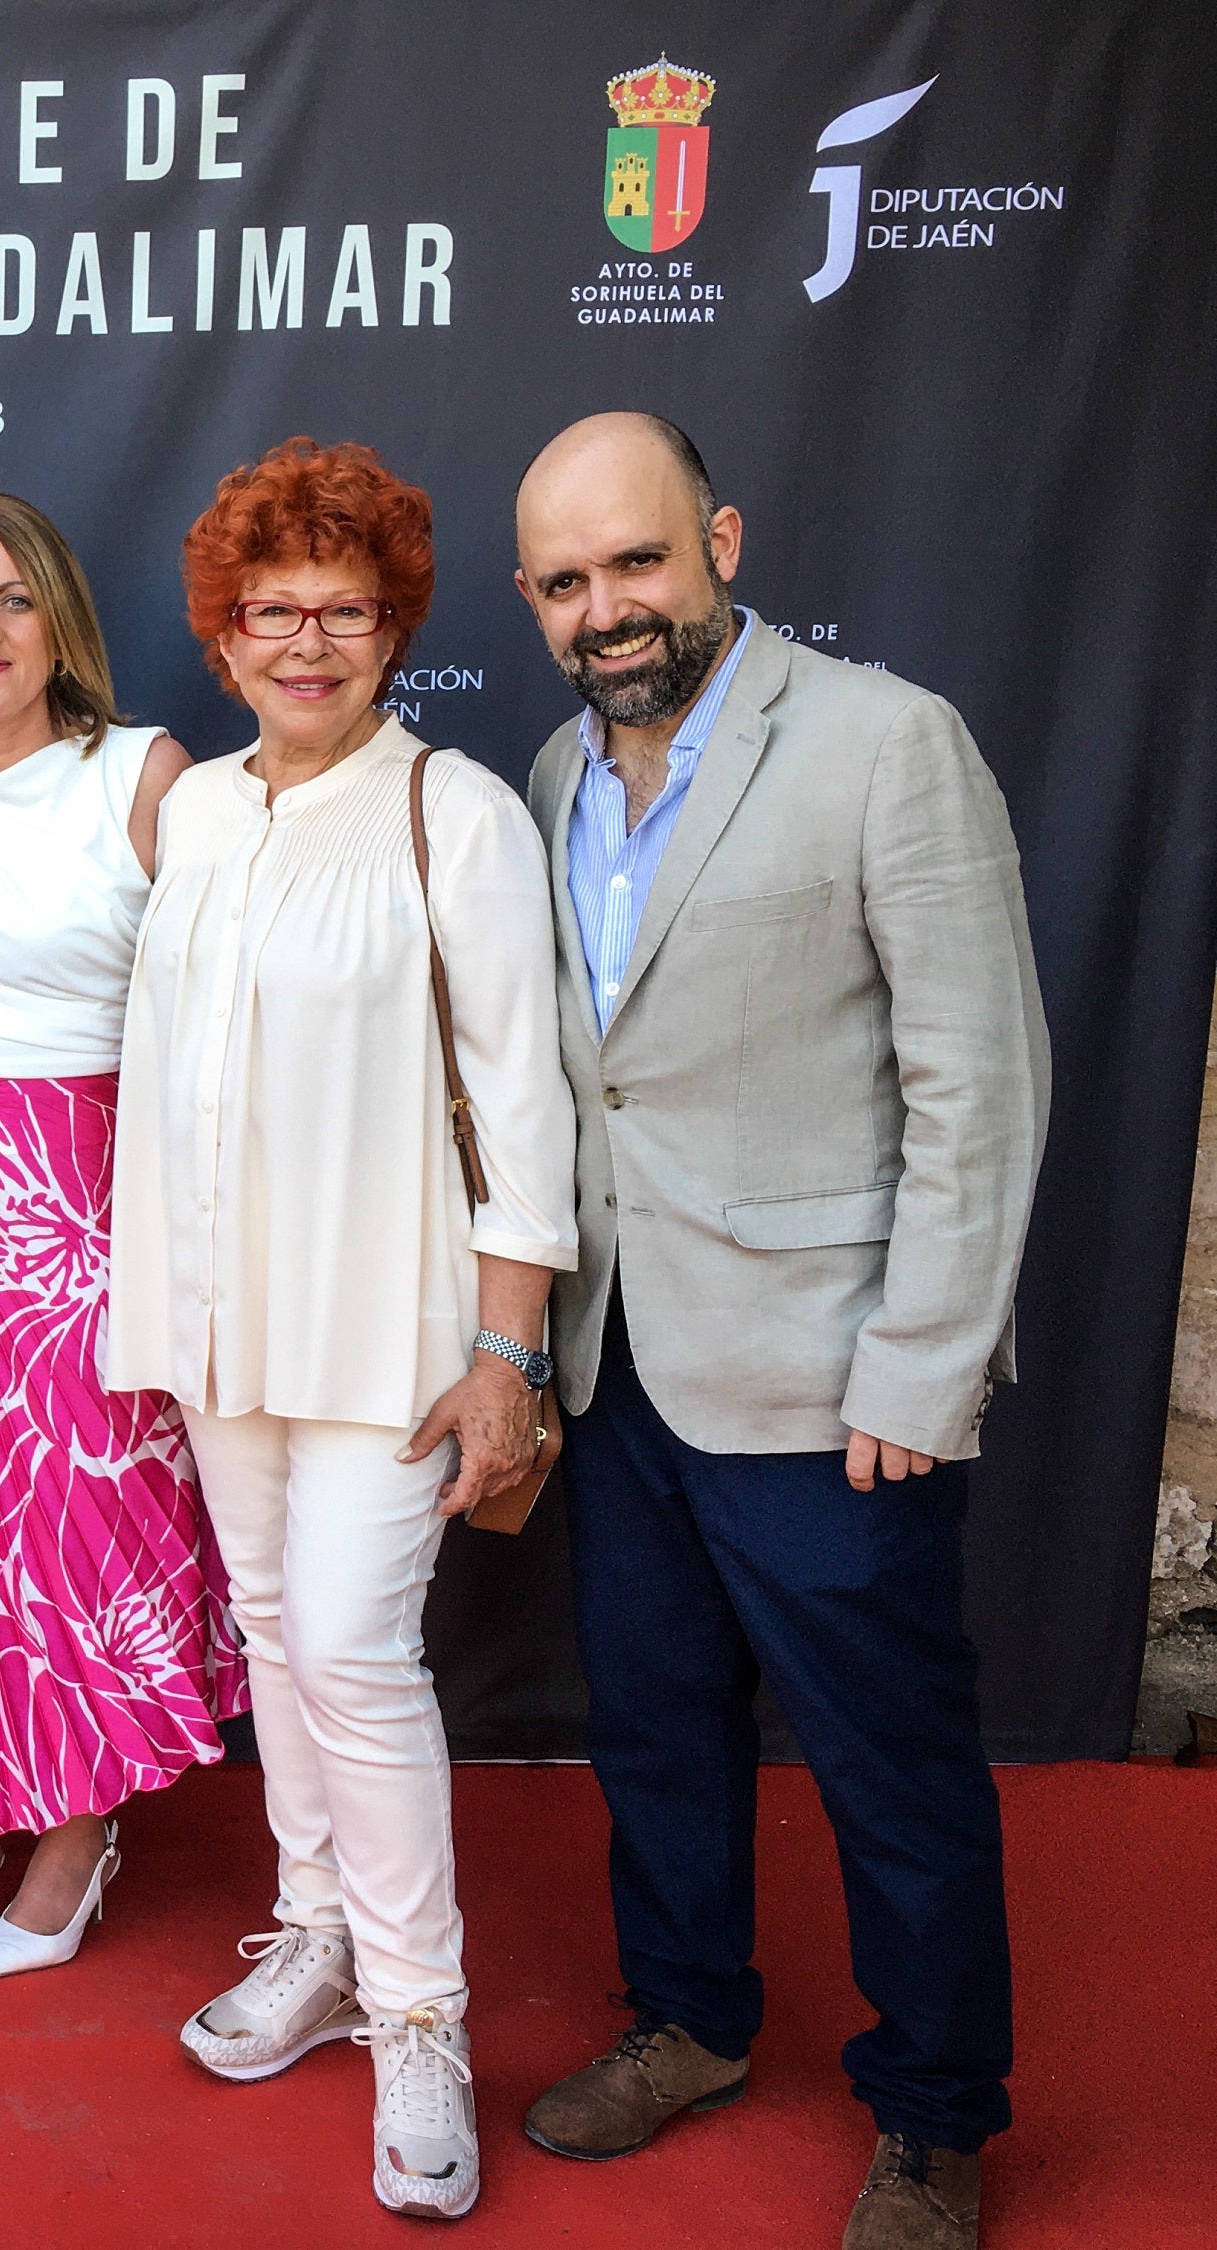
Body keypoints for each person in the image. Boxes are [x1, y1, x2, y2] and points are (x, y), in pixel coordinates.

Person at [508, 413, 1045, 2250]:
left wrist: (926, 1359)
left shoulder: (887, 745)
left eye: (638, 561)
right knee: (657, 1732)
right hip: (623, 1366)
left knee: (892, 1773)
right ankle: (689, 2020)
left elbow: (980, 1080)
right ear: (532, 602)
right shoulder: (549, 777)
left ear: (720, 538)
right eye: (569, 582)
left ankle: (935, 2117)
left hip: (835, 1384)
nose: (610, 607)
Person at [107, 437, 577, 2220]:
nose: (309, 643)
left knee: (362, 1659)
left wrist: (507, 1349)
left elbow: (521, 1108)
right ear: (222, 636)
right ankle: (313, 1933)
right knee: (272, 1624)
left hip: (392, 1325)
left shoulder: (453, 812)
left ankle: (423, 2014)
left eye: (347, 611)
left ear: (395, 630)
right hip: (226, 1323)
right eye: (273, 612)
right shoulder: (203, 812)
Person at [0, 492, 245, 1983]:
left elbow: (225, 1014)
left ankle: (76, 1822)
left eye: (14, 599)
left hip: (88, 1194)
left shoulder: (144, 775)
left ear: (59, 618)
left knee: (81, 1524)